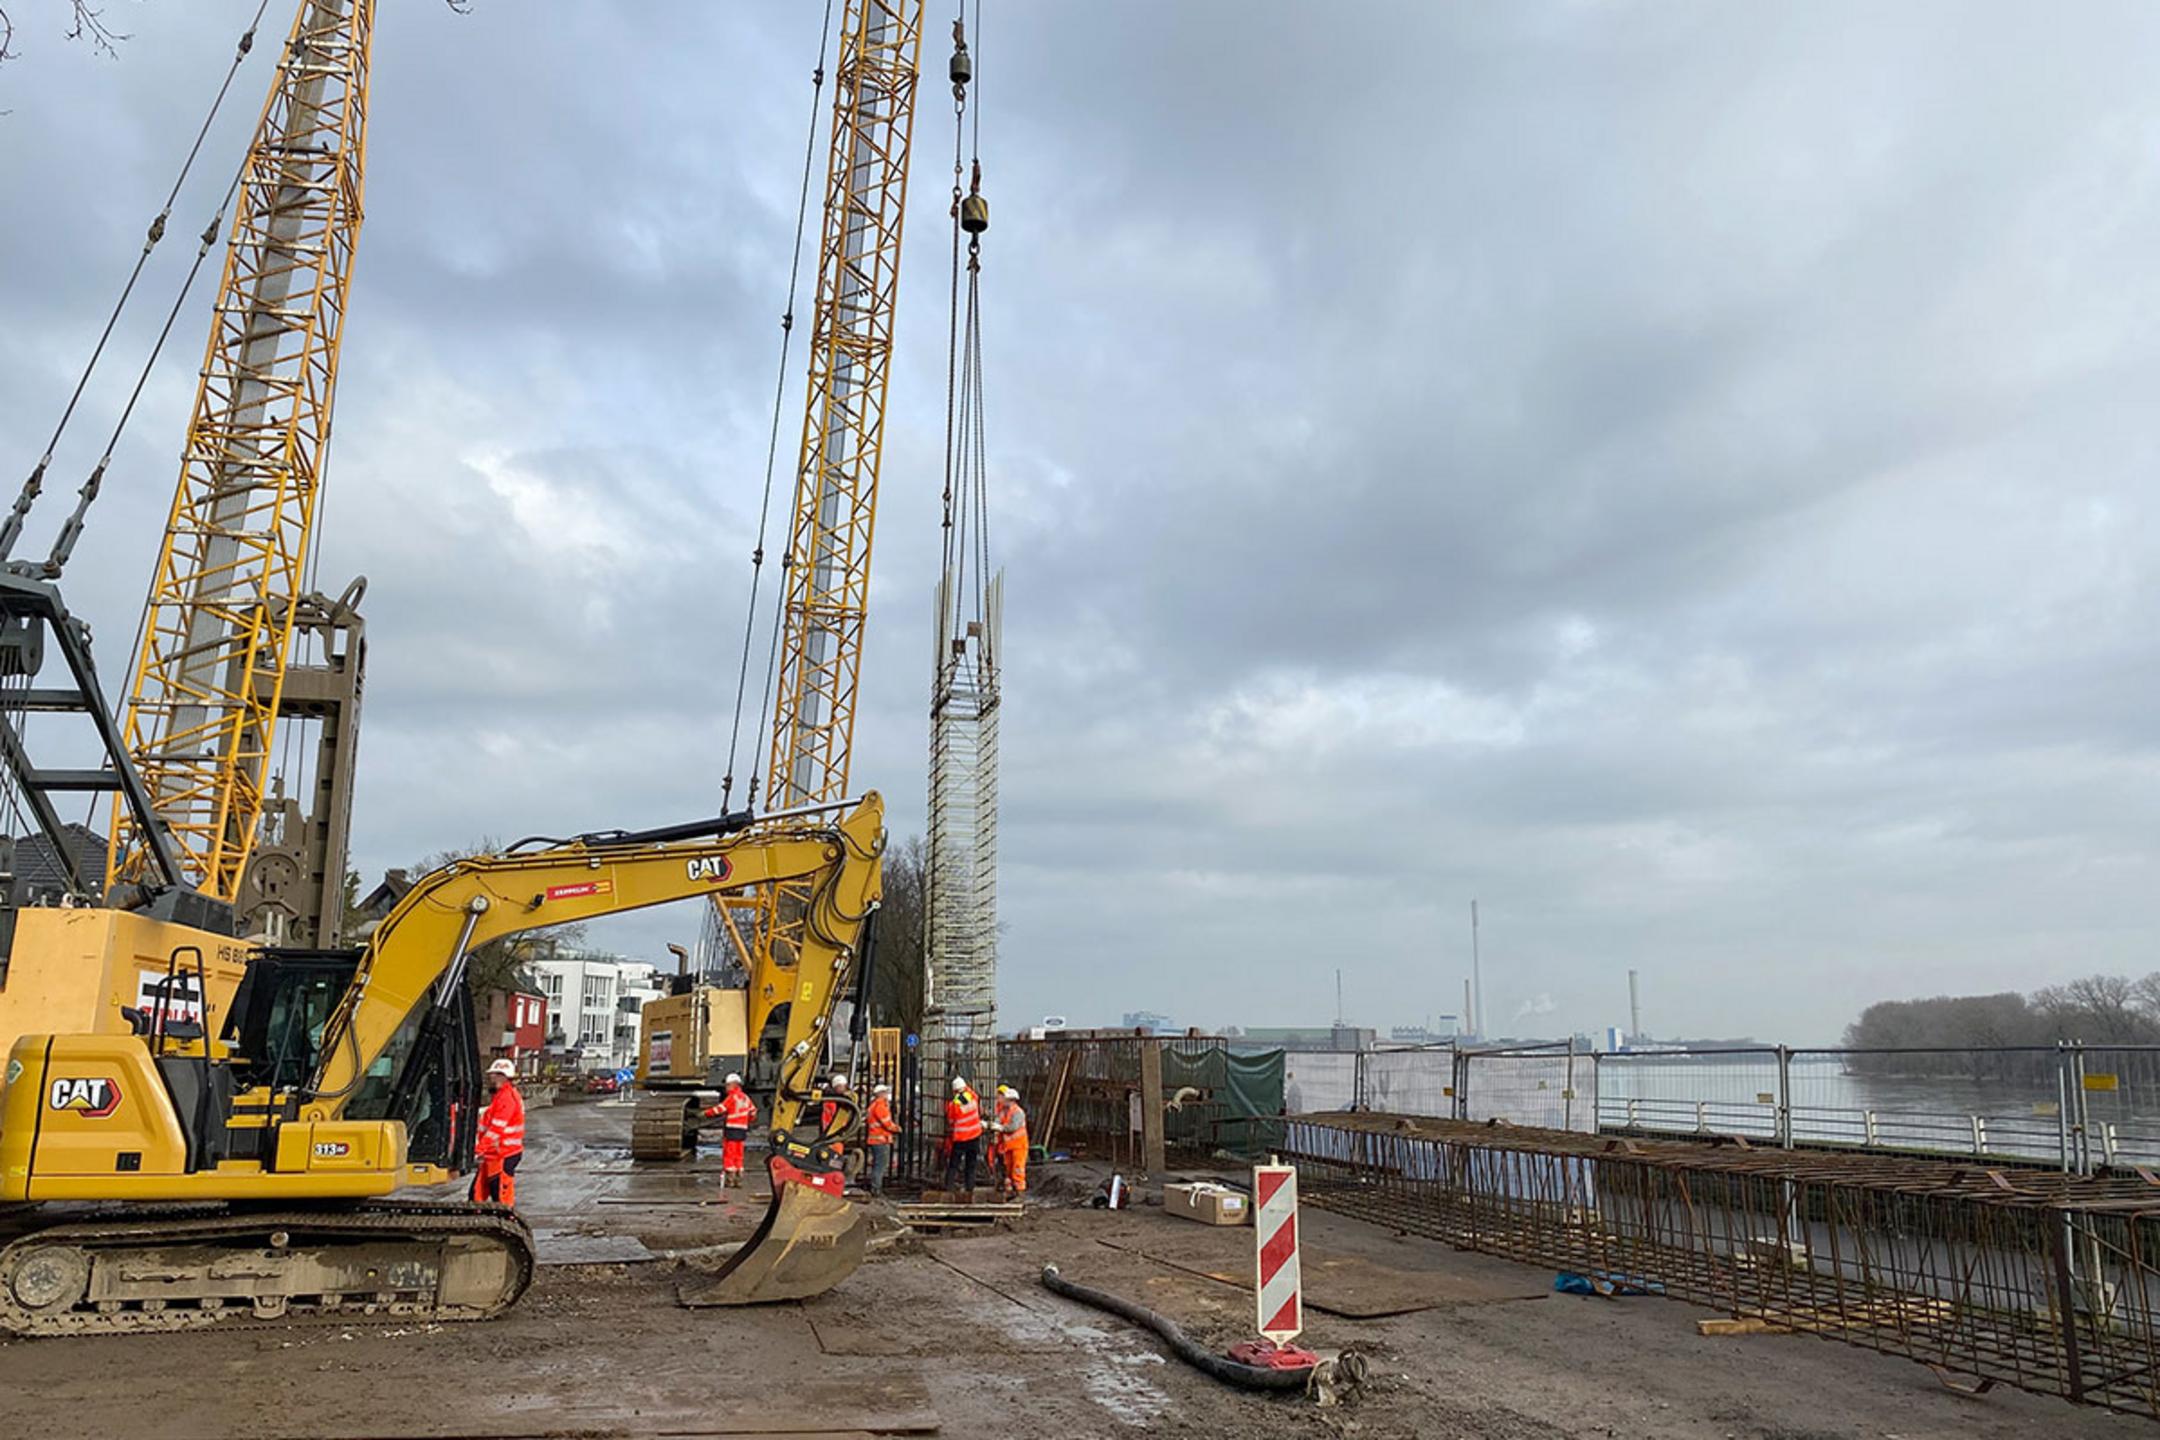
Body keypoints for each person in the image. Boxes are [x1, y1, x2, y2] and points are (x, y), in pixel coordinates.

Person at [473, 1058, 525, 1206]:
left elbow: (496, 1130)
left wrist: (479, 1149)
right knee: (477, 1194)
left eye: (493, 1075)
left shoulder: (506, 1098)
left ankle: (505, 1223)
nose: (490, 1078)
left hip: (502, 1154)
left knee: (501, 1199)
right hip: (494, 1154)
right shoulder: (502, 1096)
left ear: (501, 1076)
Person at [703, 1073, 759, 1188]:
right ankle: (739, 1179)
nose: (726, 1087)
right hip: (742, 1130)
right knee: (739, 1155)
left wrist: (706, 1113)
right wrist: (747, 1120)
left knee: (729, 1154)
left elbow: (720, 1109)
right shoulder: (746, 1098)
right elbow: (753, 1112)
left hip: (732, 1130)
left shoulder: (732, 1097)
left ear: (734, 1085)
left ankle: (730, 1180)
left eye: (728, 1085)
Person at [944, 1075, 983, 1195]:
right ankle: (969, 1187)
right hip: (975, 1136)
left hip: (960, 1138)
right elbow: (972, 1095)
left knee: (954, 1163)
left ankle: (949, 1186)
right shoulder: (973, 1097)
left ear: (954, 1090)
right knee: (971, 1164)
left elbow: (950, 1121)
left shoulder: (953, 1105)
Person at [990, 1084, 1030, 1197]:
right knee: (1009, 1169)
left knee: (1017, 1170)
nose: (1003, 1100)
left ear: (1011, 1100)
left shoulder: (1018, 1112)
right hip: (1008, 1147)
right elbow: (998, 1120)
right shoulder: (1004, 1111)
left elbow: (1013, 1127)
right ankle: (1012, 1192)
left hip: (1019, 1146)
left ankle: (1019, 1193)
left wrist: (1000, 1128)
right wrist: (994, 1125)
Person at [865, 1081, 900, 1196]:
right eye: (885, 1092)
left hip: (875, 1140)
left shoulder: (873, 1105)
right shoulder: (880, 1106)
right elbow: (887, 1123)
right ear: (881, 1093)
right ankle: (876, 1189)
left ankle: (875, 1188)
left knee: (877, 1164)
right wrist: (897, 1128)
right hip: (881, 1140)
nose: (887, 1095)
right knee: (880, 1165)